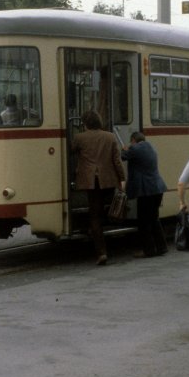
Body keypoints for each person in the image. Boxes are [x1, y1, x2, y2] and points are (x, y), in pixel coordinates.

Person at [71, 110, 126, 265]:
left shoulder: (80, 138)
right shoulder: (110, 136)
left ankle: (101, 252)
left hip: (91, 181)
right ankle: (100, 227)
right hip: (108, 181)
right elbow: (117, 160)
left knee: (94, 215)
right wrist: (122, 178)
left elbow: (71, 151)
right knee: (103, 209)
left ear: (85, 124)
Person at [121, 131, 168, 258]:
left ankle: (149, 250)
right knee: (154, 218)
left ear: (133, 140)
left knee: (144, 221)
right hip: (157, 188)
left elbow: (123, 156)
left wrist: (125, 149)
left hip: (146, 190)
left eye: (131, 142)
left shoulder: (136, 148)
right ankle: (162, 247)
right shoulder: (150, 147)